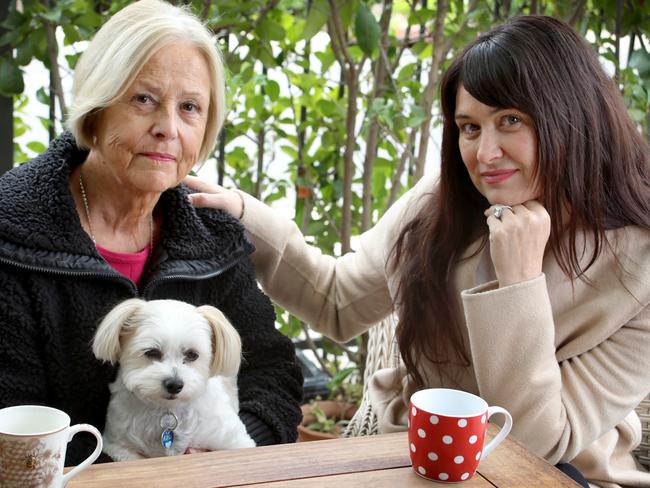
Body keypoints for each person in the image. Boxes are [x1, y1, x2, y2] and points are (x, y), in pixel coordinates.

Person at [186, 15, 650, 488]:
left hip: (554, 476)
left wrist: (520, 282)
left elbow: (527, 446)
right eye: (469, 127)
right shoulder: (443, 201)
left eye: (510, 120)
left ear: (571, 116)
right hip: (409, 460)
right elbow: (336, 303)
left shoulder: (640, 268)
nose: (485, 153)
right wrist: (242, 214)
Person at [0, 0, 303, 466]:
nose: (168, 128)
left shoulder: (212, 234)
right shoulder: (14, 230)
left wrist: (230, 450)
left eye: (189, 108)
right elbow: (12, 412)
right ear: (97, 108)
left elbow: (271, 370)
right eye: (144, 99)